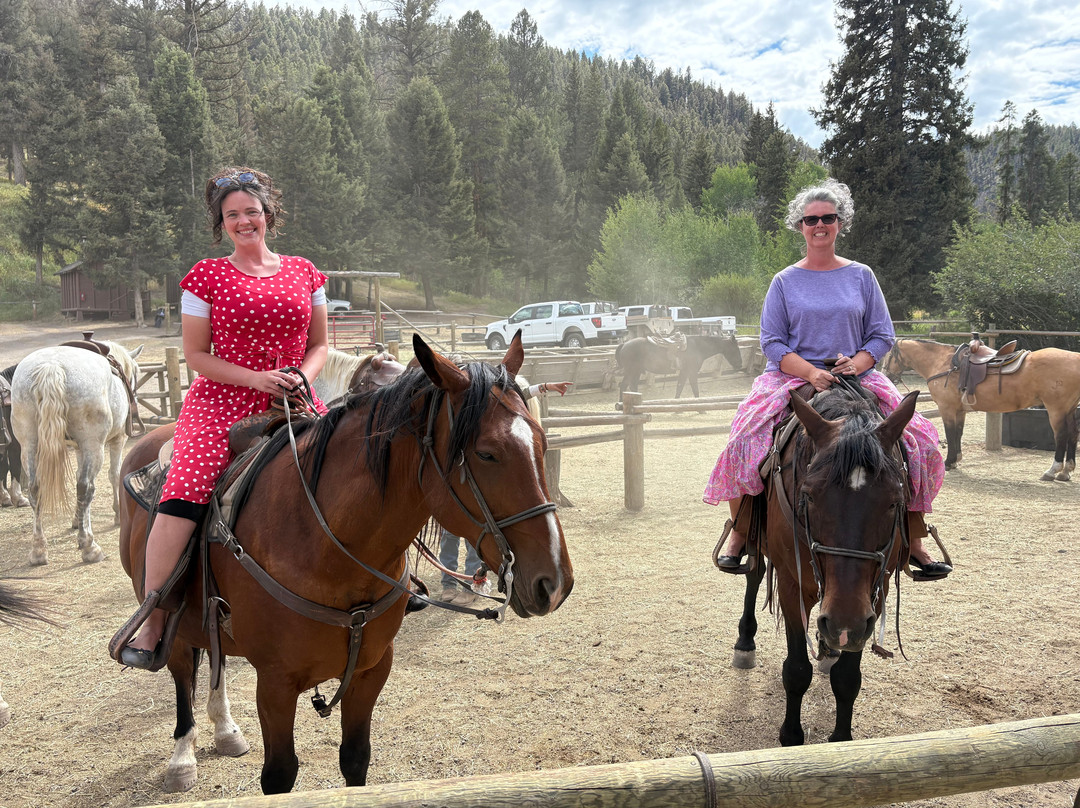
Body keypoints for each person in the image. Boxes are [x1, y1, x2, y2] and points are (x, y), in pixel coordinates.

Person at [114, 167, 331, 670]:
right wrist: (256, 379)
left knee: (350, 466)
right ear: (221, 223)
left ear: (268, 215)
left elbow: (320, 344)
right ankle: (153, 616)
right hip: (221, 403)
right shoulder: (205, 276)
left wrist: (300, 375)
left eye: (251, 212)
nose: (243, 221)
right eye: (232, 215)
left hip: (293, 399)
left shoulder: (305, 271)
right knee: (184, 490)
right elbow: (196, 355)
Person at [704, 178, 951, 581]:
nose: (820, 225)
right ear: (800, 226)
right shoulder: (784, 281)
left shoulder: (862, 276)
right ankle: (742, 530)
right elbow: (772, 342)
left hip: (856, 375)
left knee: (919, 438)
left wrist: (857, 362)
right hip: (793, 375)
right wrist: (810, 372)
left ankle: (915, 537)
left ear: (840, 223)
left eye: (828, 218)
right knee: (744, 436)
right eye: (811, 219)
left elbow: (881, 333)